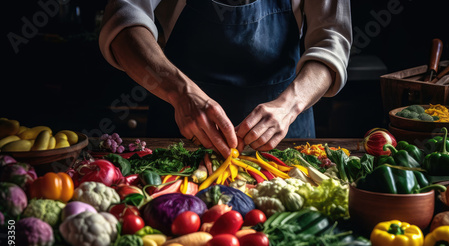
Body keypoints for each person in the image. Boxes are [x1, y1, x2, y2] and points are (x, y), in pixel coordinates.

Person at [99, 0, 352, 158]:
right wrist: (181, 93)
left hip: (285, 140)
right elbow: (124, 21)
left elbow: (332, 40)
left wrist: (289, 106)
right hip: (179, 143)